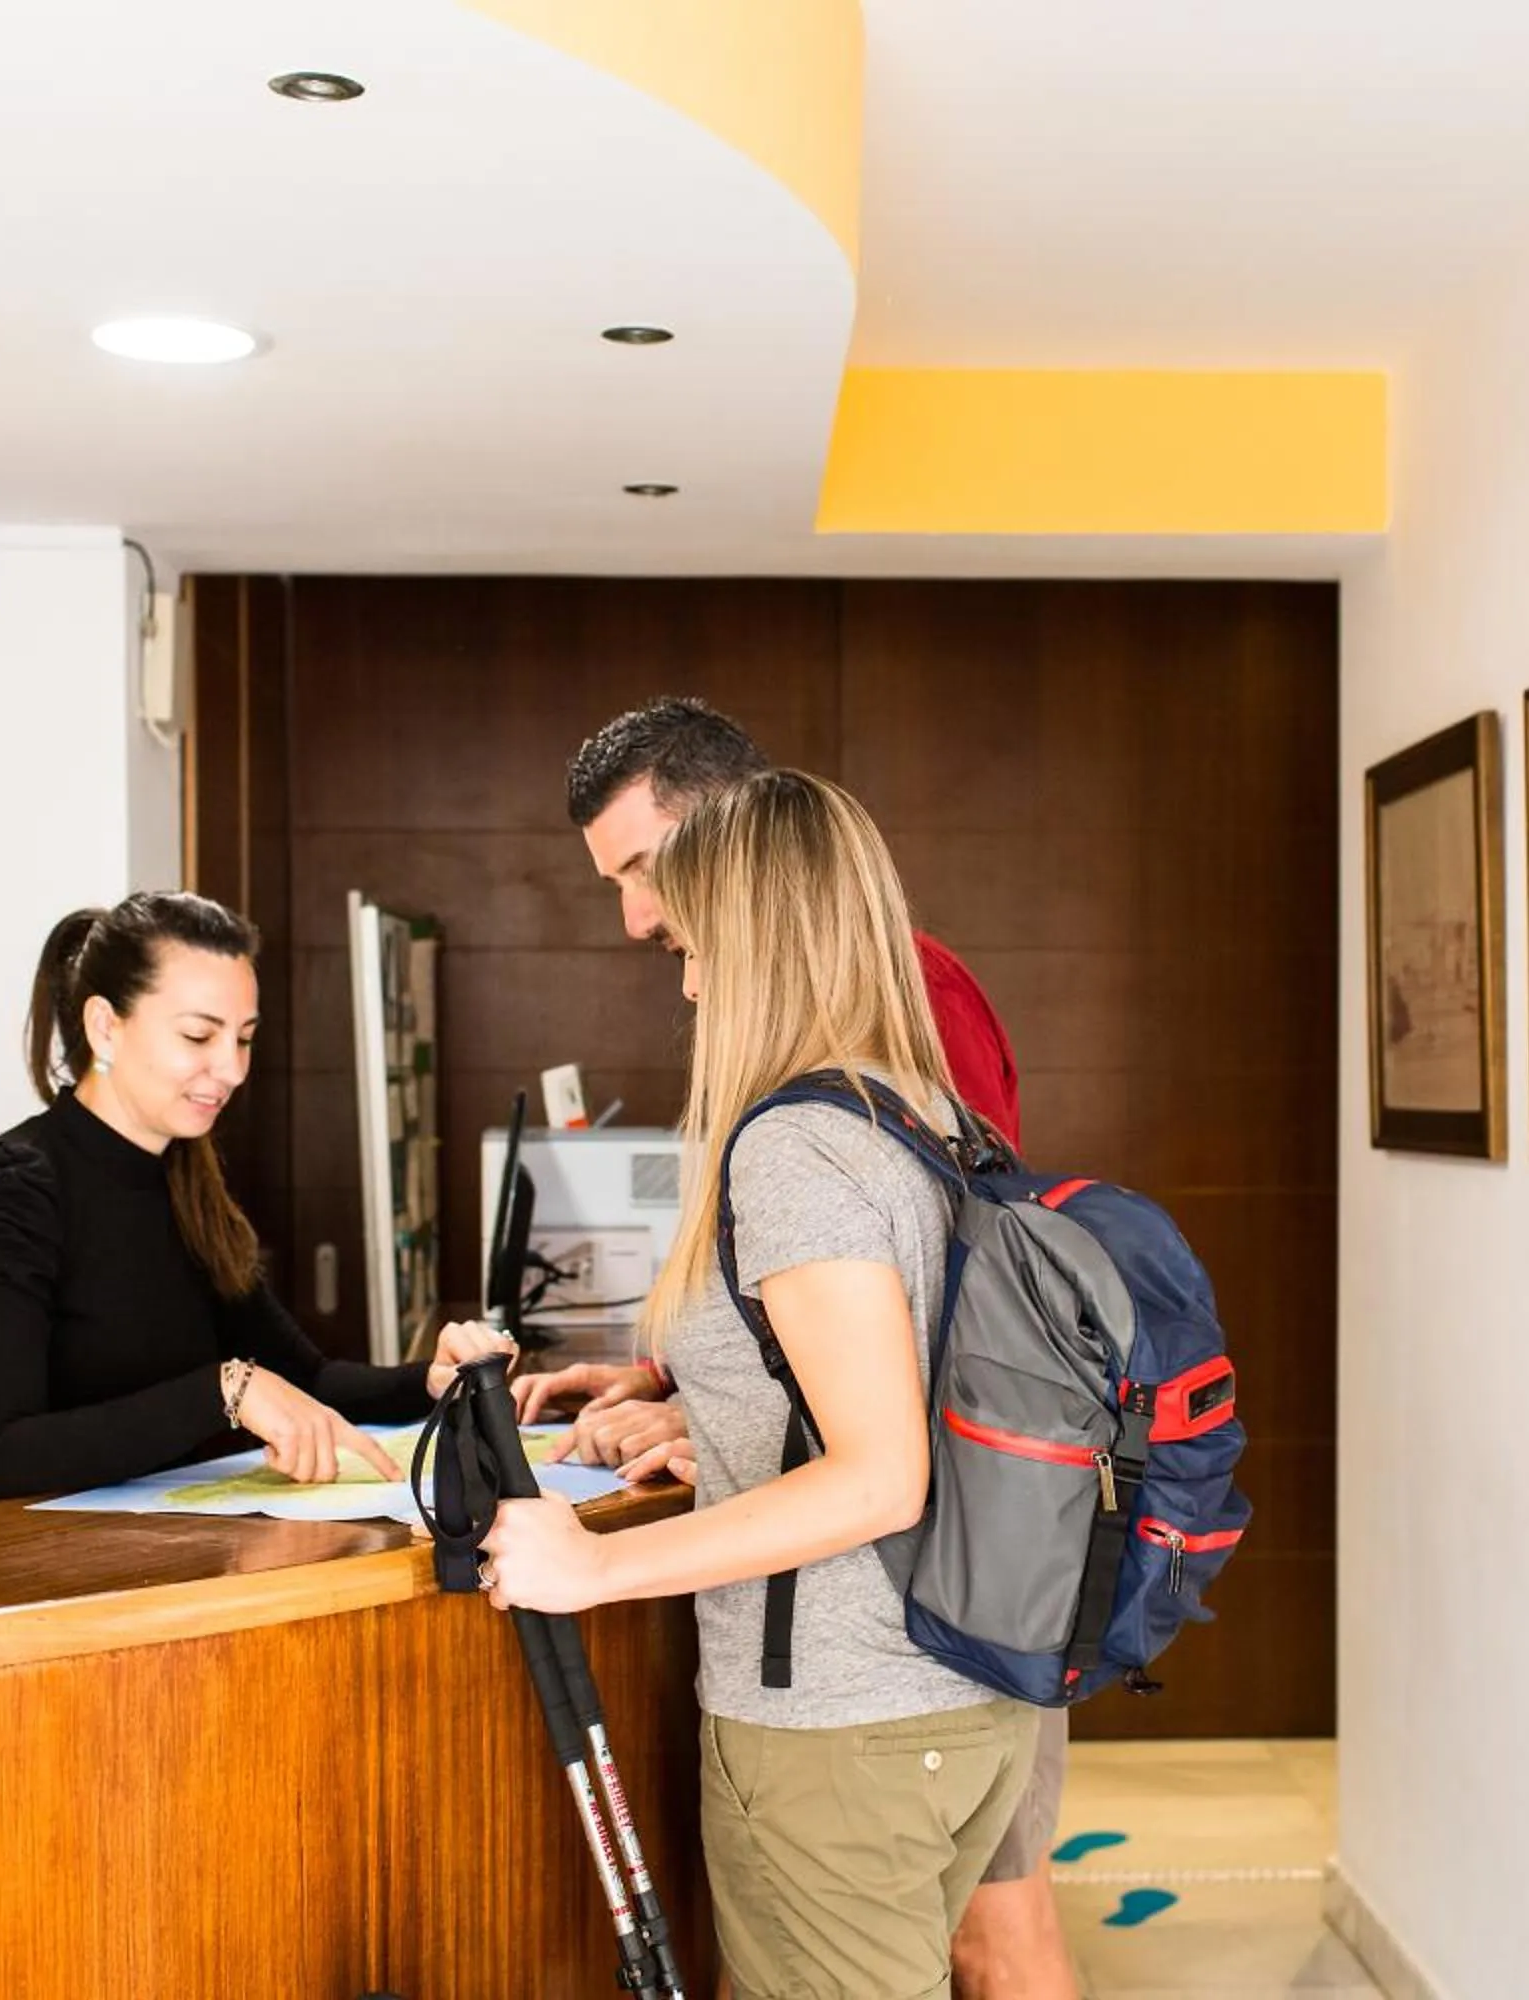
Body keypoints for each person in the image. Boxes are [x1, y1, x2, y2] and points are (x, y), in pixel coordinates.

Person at [520, 698, 1078, 2000]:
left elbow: (883, 1452)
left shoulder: (805, 1130)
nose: (661, 942)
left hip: (848, 1698)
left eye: (668, 900)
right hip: (951, 1674)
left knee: (1001, 1947)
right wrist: (695, 1388)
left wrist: (593, 1573)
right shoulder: (909, 1104)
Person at [0, 891, 507, 1532]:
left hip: (142, 1571)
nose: (231, 1069)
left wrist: (432, 1384)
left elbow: (305, 1380)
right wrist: (224, 1394)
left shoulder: (187, 1183)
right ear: (106, 1025)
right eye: (199, 1035)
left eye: (243, 1039)